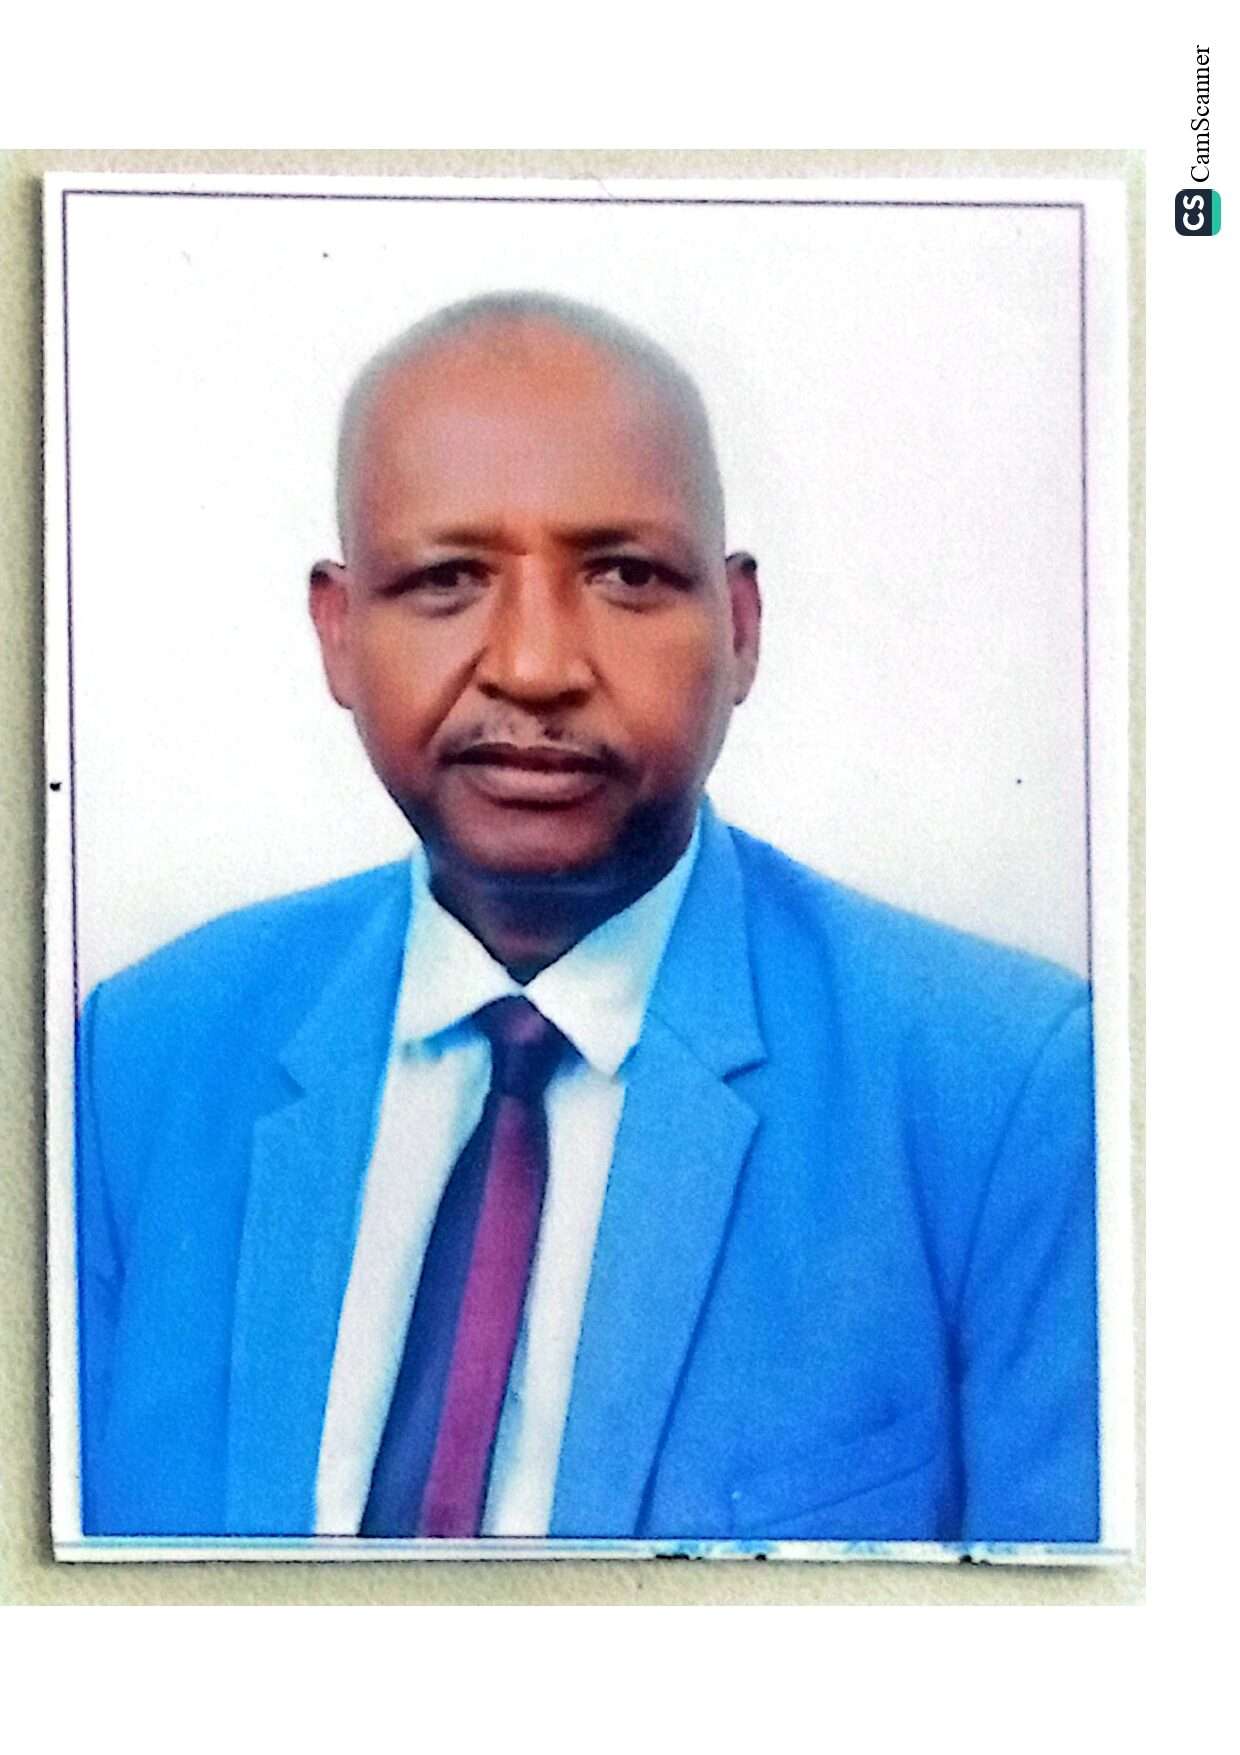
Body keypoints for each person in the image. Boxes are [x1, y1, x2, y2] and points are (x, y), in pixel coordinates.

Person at [74, 292, 1099, 1545]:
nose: (535, 664)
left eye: (624, 575)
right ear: (338, 634)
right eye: (447, 580)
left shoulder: (1006, 1093)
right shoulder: (141, 1061)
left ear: (741, 628)